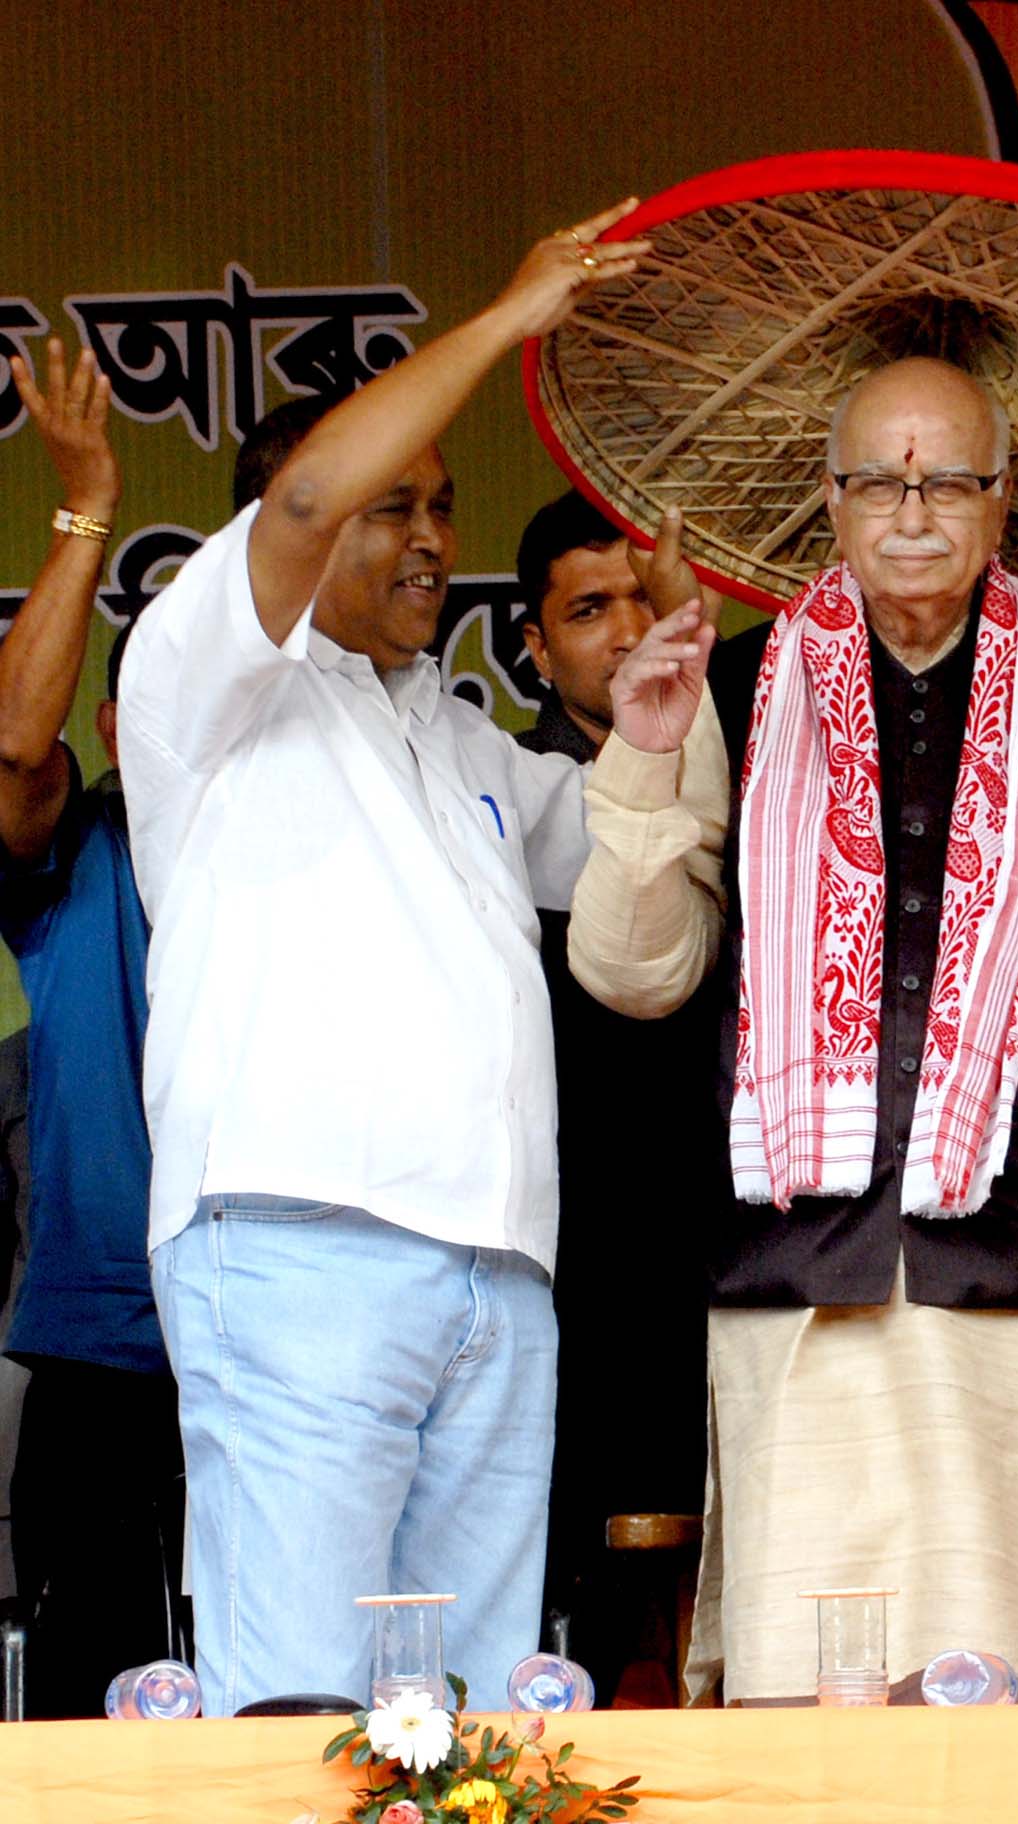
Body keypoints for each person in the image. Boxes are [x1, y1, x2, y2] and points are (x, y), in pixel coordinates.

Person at [568, 355, 1018, 1704]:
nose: (914, 508)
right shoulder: (732, 695)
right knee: (825, 1695)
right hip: (807, 1291)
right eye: (881, 478)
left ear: (1003, 501)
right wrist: (646, 758)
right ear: (832, 502)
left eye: (949, 478)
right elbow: (634, 975)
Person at [116, 203, 653, 1716]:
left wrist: (671, 703)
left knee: (467, 1721)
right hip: (298, 1248)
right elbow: (295, 508)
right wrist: (504, 323)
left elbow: (630, 851)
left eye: (443, 506)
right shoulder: (200, 686)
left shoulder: (460, 733)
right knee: (303, 1717)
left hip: (497, 1270)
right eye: (391, 507)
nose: (431, 540)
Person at [0, 340, 185, 1715]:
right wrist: (86, 506)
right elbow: (13, 746)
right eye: (164, 695)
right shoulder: (74, 859)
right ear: (115, 724)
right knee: (90, 1724)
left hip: (302, 1340)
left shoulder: (323, 863)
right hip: (108, 1360)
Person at [513, 491, 715, 1697]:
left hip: (745, 1250)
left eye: (647, 595)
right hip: (579, 1269)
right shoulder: (511, 801)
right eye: (592, 610)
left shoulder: (753, 769)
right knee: (592, 1624)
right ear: (536, 650)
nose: (631, 628)